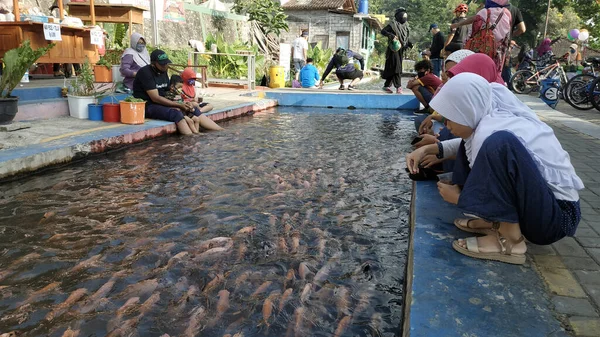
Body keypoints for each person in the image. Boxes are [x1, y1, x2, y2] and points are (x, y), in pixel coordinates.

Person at [406, 73, 583, 265]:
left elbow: (494, 162)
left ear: (467, 110)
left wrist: (460, 198)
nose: (446, 124)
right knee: (482, 145)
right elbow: (465, 144)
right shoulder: (489, 119)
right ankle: (495, 223)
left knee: (499, 144)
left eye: (450, 117)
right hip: (544, 208)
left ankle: (510, 242)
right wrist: (431, 148)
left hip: (555, 219)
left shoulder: (492, 132)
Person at [133, 50, 215, 136]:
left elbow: (167, 91)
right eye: (162, 64)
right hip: (147, 105)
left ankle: (220, 131)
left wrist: (182, 102)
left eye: (166, 63)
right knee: (176, 114)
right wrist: (178, 105)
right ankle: (191, 138)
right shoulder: (145, 73)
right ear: (153, 63)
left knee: (192, 109)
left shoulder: (163, 71)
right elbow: (155, 98)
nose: (165, 66)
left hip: (161, 102)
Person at [451, 0, 512, 75]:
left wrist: (458, 24)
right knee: (494, 72)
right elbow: (508, 33)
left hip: (484, 47)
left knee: (479, 71)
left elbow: (473, 24)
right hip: (498, 50)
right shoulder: (507, 13)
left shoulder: (485, 11)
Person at [180, 67, 222, 131]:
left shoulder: (192, 87)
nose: (192, 80)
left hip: (195, 104)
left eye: (193, 79)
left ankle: (200, 111)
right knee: (195, 105)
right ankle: (198, 111)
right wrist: (192, 101)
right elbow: (183, 100)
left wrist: (196, 99)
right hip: (190, 104)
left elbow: (193, 97)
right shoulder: (181, 87)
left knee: (210, 105)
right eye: (191, 79)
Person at [381, 8, 413, 94]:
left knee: (393, 68)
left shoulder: (406, 26)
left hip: (401, 50)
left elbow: (405, 38)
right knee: (397, 67)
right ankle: (398, 87)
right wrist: (390, 35)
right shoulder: (393, 25)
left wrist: (409, 44)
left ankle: (386, 85)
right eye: (402, 15)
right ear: (398, 16)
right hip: (393, 50)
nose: (404, 18)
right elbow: (383, 31)